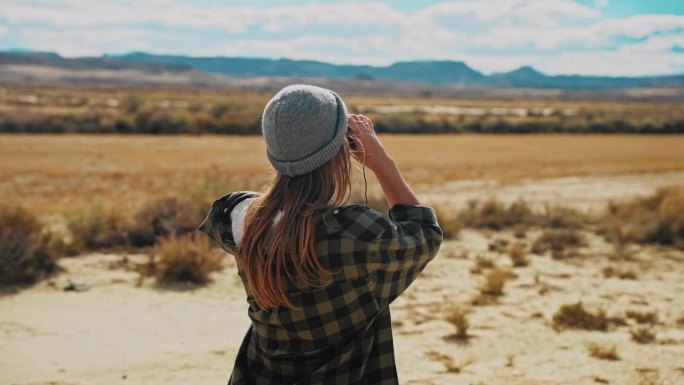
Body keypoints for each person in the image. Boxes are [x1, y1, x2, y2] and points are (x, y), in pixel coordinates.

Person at [198, 84, 443, 385]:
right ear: (342, 149)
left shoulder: (239, 220)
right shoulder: (352, 232)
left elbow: (249, 207)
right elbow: (423, 233)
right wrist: (381, 162)